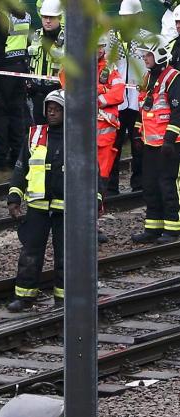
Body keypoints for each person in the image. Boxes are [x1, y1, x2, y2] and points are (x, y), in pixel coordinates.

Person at [7, 89, 66, 312]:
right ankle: (24, 297)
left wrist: (95, 202)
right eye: (49, 109)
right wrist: (14, 198)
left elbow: (91, 173)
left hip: (65, 209)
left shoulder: (77, 136)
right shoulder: (34, 135)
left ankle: (63, 298)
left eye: (57, 110)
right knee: (30, 253)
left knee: (65, 255)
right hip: (37, 207)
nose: (52, 114)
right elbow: (21, 170)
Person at [131, 36, 180, 244]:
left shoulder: (174, 78)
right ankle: (153, 227)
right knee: (149, 185)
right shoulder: (147, 78)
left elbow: (178, 111)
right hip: (151, 143)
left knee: (166, 184)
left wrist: (169, 138)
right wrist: (136, 133)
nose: (144, 58)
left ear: (159, 54)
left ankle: (172, 228)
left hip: (169, 145)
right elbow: (143, 108)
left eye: (148, 54)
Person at [106, 0, 151, 195]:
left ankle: (139, 184)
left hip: (138, 101)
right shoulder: (112, 38)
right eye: (124, 17)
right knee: (113, 145)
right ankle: (111, 186)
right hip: (118, 101)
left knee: (138, 144)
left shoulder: (148, 39)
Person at [0, 0, 31, 170]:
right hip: (20, 69)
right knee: (17, 115)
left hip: (3, 72)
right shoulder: (25, 16)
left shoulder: (0, 18)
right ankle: (17, 156)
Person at [27, 0, 64, 125]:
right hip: (37, 94)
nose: (47, 21)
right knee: (40, 131)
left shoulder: (69, 38)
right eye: (45, 17)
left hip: (58, 94)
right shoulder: (35, 36)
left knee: (58, 131)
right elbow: (29, 60)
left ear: (59, 17)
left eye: (51, 17)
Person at [97, 35, 126, 194]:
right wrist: (102, 89)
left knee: (103, 172)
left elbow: (118, 93)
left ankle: (99, 202)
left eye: (101, 46)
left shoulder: (110, 67)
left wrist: (99, 98)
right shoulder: (79, 65)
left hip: (105, 131)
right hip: (83, 131)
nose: (99, 50)